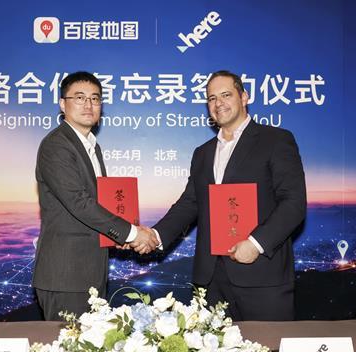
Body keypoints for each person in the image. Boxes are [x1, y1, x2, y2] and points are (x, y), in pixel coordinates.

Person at [152, 70, 306, 321]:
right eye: (212, 98)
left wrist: (256, 244)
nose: (218, 103)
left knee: (268, 346)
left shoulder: (276, 140)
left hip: (261, 276)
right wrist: (155, 235)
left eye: (226, 95)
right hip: (211, 280)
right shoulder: (203, 153)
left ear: (244, 97)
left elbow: (294, 203)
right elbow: (190, 203)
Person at [33, 71, 158, 320]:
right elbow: (79, 202)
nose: (88, 105)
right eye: (79, 97)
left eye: (95, 98)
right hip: (66, 276)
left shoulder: (91, 146)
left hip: (89, 272)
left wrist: (115, 235)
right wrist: (131, 233)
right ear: (63, 104)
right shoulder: (57, 144)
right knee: (70, 345)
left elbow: (99, 203)